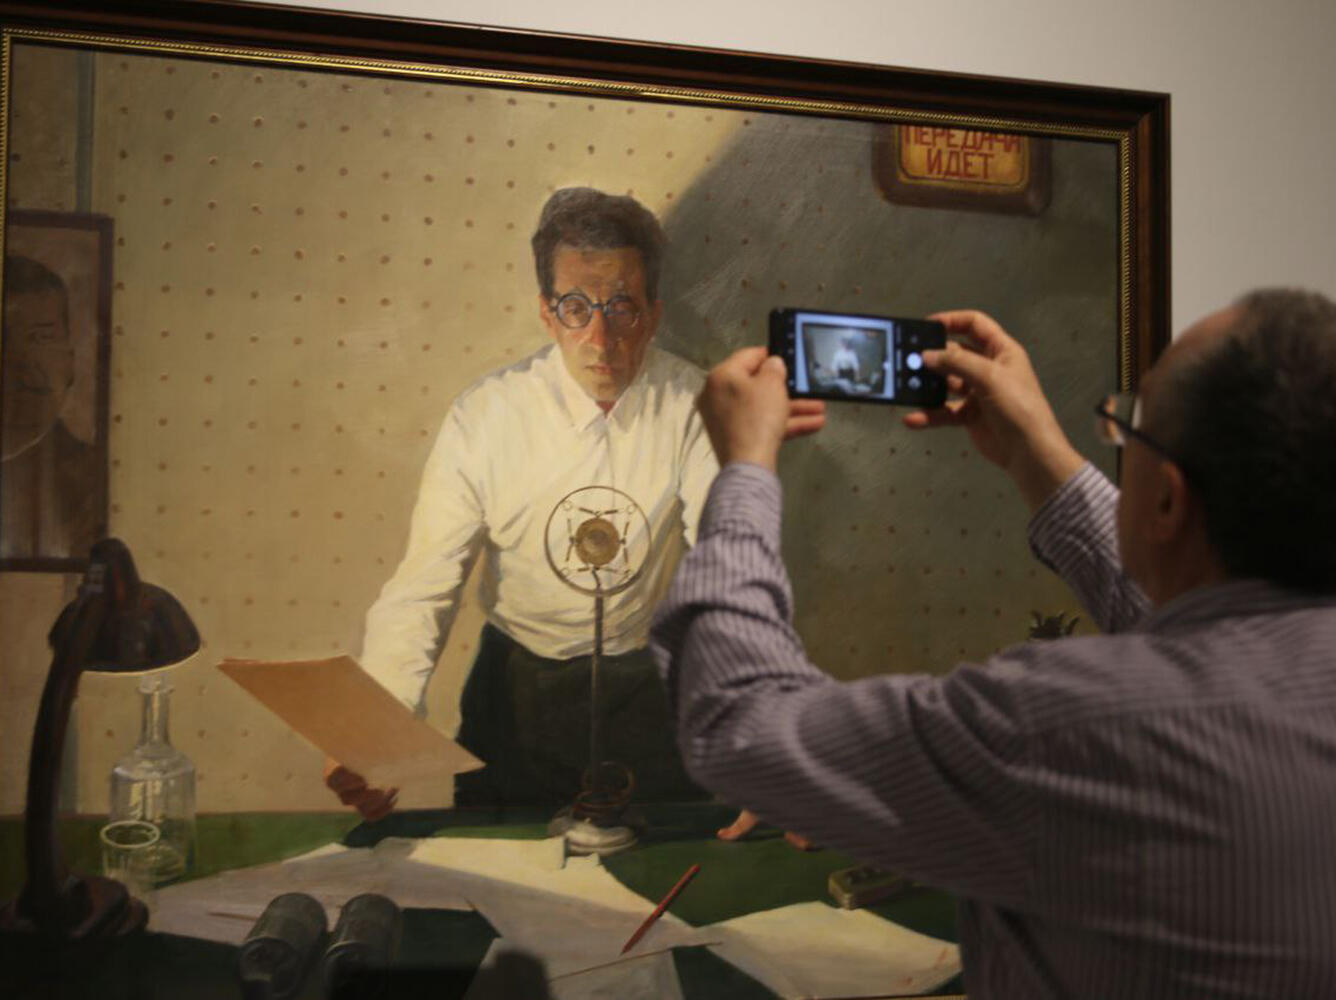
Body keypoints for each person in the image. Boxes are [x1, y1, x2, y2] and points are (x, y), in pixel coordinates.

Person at [651, 290, 1336, 998]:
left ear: (1166, 498)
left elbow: (739, 725)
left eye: (1131, 426)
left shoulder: (1070, 726)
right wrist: (1037, 454)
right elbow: (1204, 629)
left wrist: (744, 471)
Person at [326, 188, 719, 819]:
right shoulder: (485, 417)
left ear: (652, 313)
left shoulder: (698, 405)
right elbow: (424, 587)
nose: (600, 338)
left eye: (621, 307)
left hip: (649, 695)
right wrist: (377, 738)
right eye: (576, 308)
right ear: (546, 313)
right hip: (514, 697)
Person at [1, 255, 100, 561]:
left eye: (42, 338)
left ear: (70, 359)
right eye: (3, 342)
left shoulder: (91, 480)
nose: (21, 363)